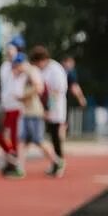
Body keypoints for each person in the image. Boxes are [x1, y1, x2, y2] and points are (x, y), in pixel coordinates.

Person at [30, 46, 67, 177]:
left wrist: (48, 109)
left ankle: (59, 164)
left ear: (43, 59)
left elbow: (55, 92)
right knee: (51, 137)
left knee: (56, 138)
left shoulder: (55, 69)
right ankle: (55, 163)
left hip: (55, 108)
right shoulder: (43, 70)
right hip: (46, 108)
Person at [0, 53, 32, 177]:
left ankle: (17, 165)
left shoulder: (24, 75)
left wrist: (24, 67)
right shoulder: (8, 72)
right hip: (7, 108)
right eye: (15, 63)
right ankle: (10, 161)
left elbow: (33, 74)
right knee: (3, 136)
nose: (16, 66)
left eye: (18, 64)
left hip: (17, 109)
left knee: (15, 138)